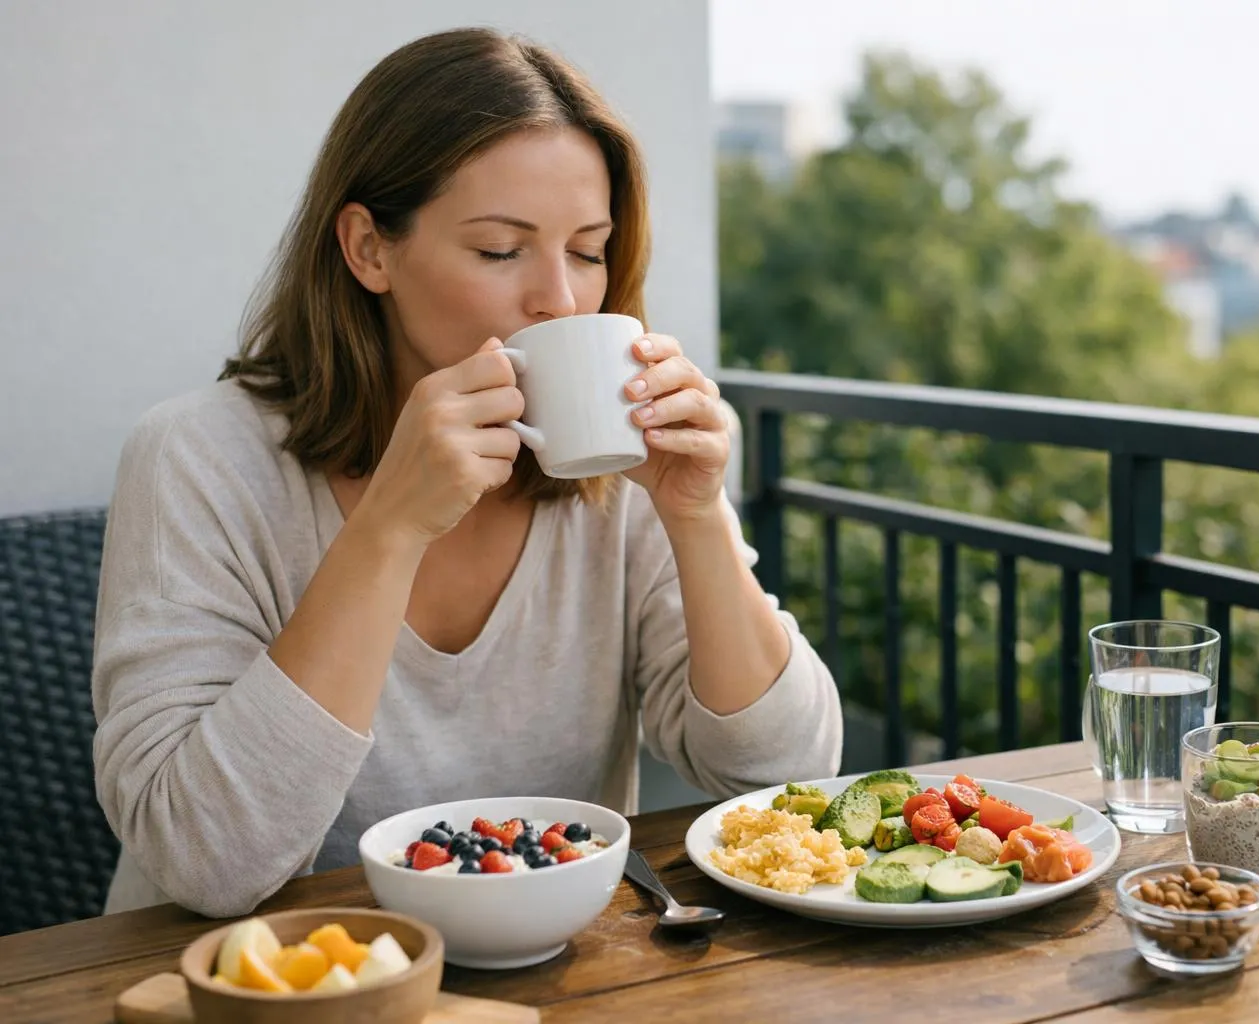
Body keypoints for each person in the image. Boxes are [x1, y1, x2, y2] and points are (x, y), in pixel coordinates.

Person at [90, 27, 842, 917]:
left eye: (589, 250)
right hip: (261, 986)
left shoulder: (617, 477)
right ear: (369, 249)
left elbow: (785, 778)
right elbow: (205, 862)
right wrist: (388, 530)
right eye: (499, 249)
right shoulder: (197, 459)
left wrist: (697, 515)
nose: (559, 299)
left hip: (556, 976)